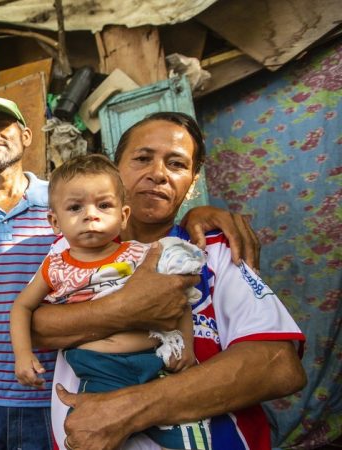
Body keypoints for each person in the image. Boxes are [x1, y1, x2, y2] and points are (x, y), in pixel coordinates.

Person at [0, 96, 261, 450]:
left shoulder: (73, 197)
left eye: (1, 126)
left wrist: (195, 213)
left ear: (25, 136)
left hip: (53, 393)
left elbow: (142, 227)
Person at [30, 112, 307, 450]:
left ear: (192, 181)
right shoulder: (73, 246)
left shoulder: (215, 250)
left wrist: (131, 408)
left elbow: (279, 366)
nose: (158, 174)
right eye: (143, 158)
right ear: (116, 168)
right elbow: (36, 326)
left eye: (176, 164)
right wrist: (128, 308)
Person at [10, 153, 209, 449]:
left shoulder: (143, 255)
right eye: (76, 207)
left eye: (103, 205)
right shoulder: (54, 266)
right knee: (93, 435)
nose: (91, 215)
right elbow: (22, 307)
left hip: (155, 365)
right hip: (100, 369)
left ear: (123, 215)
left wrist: (186, 345)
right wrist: (23, 355)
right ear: (55, 221)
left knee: (189, 438)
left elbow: (178, 300)